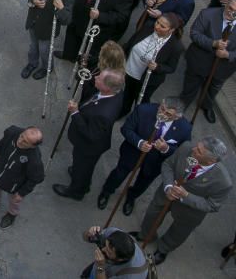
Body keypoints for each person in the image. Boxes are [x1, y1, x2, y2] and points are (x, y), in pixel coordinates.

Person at [138, 138, 233, 266]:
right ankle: (146, 234)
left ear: (211, 160)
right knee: (152, 214)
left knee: (179, 232)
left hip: (189, 211)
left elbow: (212, 205)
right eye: (197, 146)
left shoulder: (223, 182)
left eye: (199, 151)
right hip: (166, 194)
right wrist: (168, 186)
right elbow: (168, 165)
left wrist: (186, 196)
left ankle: (163, 248)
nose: (193, 149)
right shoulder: (186, 147)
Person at [97, 98, 191, 215]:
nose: (162, 114)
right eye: (162, 109)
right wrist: (139, 142)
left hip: (155, 161)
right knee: (120, 173)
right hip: (132, 152)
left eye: (168, 114)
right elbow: (126, 129)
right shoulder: (143, 110)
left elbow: (183, 150)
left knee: (144, 181)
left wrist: (165, 148)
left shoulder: (185, 128)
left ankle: (131, 197)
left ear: (177, 117)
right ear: (161, 103)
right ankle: (107, 190)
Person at [52, 69, 125, 200]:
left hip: (89, 147)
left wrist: (75, 113)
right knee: (82, 167)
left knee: (82, 169)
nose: (95, 78)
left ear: (107, 88)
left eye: (99, 78)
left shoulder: (104, 113)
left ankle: (76, 191)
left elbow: (91, 134)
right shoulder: (116, 93)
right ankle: (80, 178)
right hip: (90, 141)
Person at [58, 0, 134, 66]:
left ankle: (82, 64)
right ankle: (69, 55)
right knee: (72, 36)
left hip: (95, 25)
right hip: (78, 13)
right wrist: (70, 3)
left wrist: (100, 16)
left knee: (88, 48)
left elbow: (121, 16)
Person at [0, 126, 44, 229]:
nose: (20, 141)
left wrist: (21, 193)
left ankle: (11, 214)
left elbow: (35, 178)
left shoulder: (34, 159)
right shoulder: (13, 133)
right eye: (22, 136)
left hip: (15, 185)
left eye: (25, 142)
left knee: (14, 201)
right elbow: (3, 142)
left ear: (33, 146)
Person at [178, 0, 236, 123]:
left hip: (223, 66)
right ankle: (182, 105)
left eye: (235, 12)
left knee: (213, 87)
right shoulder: (207, 14)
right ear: (227, 4)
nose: (231, 13)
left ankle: (206, 105)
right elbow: (195, 33)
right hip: (200, 59)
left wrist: (227, 54)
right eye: (230, 8)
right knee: (190, 85)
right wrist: (213, 43)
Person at [120, 15, 184, 113]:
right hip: (131, 68)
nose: (157, 26)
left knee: (141, 100)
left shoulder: (176, 46)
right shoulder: (148, 27)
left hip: (148, 79)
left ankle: (138, 117)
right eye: (157, 22)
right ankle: (124, 110)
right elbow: (132, 41)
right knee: (127, 93)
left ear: (171, 30)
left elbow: (171, 68)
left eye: (162, 26)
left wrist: (157, 67)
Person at [22, 0, 74, 79]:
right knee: (33, 46)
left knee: (44, 50)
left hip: (47, 30)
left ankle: (46, 68)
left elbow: (67, 20)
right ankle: (32, 63)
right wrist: (34, 0)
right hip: (33, 22)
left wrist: (61, 8)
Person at [79, 226, 148, 278]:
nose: (103, 250)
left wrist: (100, 266)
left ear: (120, 259)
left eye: (109, 252)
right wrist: (89, 234)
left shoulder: (129, 276)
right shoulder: (113, 233)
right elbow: (84, 236)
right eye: (105, 245)